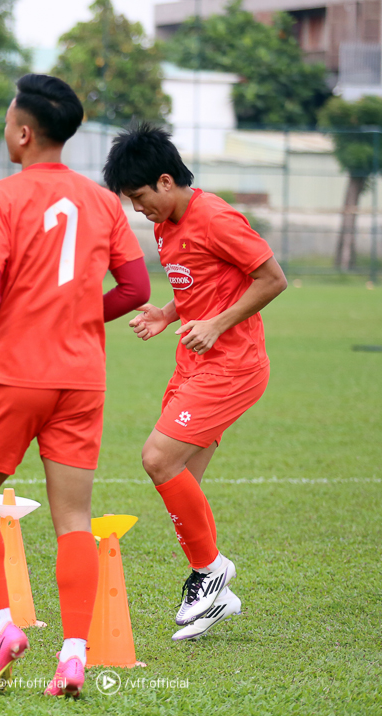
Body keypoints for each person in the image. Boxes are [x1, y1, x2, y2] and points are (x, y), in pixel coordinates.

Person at [0, 74, 150, 697]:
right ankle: (72, 655)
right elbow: (139, 290)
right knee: (73, 519)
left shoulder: (0, 198)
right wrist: (82, 314)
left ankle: (2, 627)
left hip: (15, 371)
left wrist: (28, 310)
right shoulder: (100, 201)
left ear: (23, 130)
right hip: (81, 378)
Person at [103, 123, 287, 642]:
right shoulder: (168, 225)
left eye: (140, 198)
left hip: (233, 366)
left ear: (166, 181)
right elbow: (200, 282)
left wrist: (218, 324)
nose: (140, 210)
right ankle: (213, 590)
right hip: (194, 362)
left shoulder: (216, 217)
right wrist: (166, 313)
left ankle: (211, 572)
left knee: (158, 458)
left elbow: (273, 278)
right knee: (182, 480)